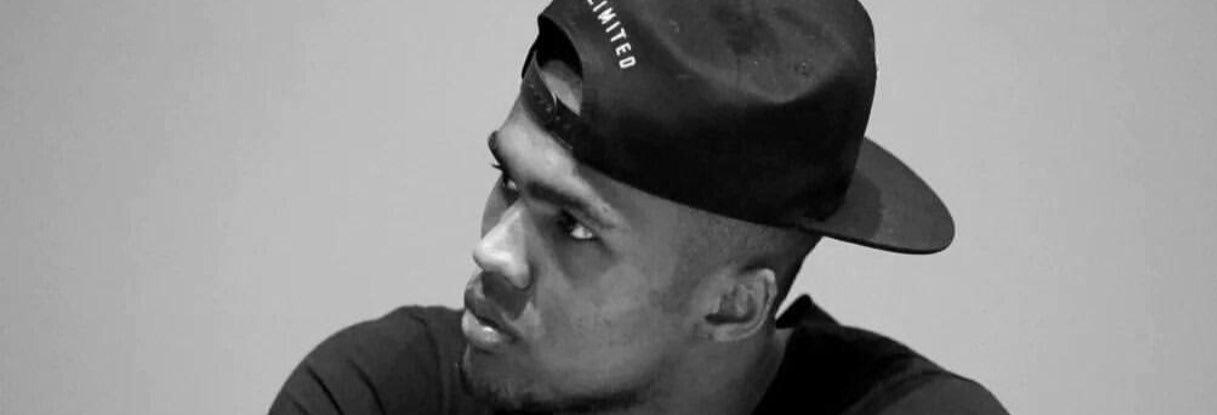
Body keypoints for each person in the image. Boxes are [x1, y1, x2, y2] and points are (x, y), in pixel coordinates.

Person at [270, 0, 1009, 413]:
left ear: (732, 306)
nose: (491, 250)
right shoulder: (387, 391)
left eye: (574, 225)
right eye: (507, 180)